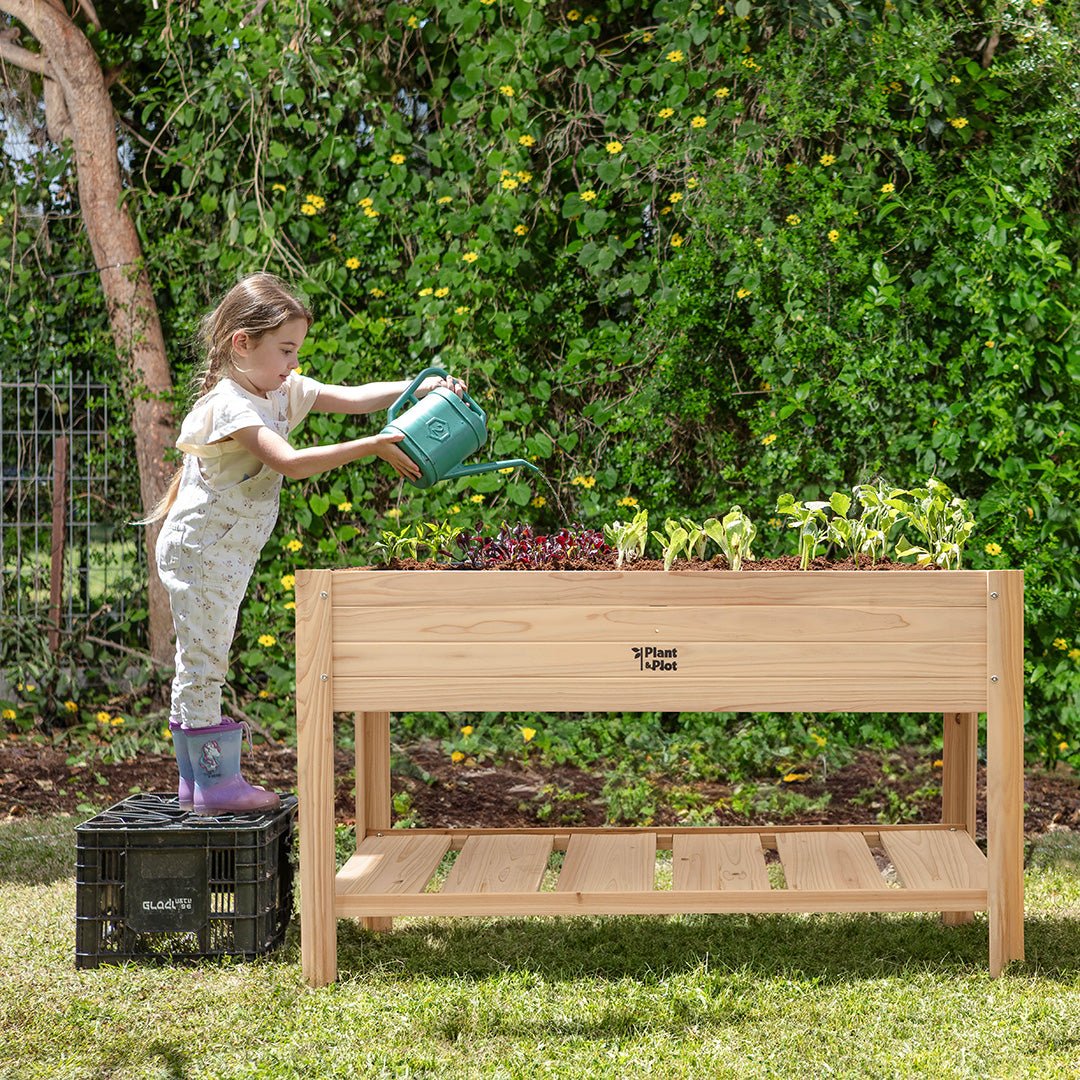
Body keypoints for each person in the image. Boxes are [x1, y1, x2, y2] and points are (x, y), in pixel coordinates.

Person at [142, 272, 466, 815]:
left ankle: (195, 783)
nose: (294, 363)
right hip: (200, 553)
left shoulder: (278, 389)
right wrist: (374, 445)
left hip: (224, 552)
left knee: (202, 656)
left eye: (296, 351)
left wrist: (419, 388)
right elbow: (290, 463)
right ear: (242, 343)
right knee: (203, 661)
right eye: (286, 350)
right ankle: (215, 785)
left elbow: (356, 398)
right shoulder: (231, 406)